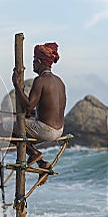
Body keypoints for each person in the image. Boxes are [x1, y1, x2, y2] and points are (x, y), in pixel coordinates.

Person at [11, 42, 66, 185]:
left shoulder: (40, 80)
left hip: (46, 130)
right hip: (59, 130)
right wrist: (34, 113)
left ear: (40, 62)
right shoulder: (59, 82)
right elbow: (52, 108)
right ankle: (42, 164)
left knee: (4, 128)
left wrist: (16, 84)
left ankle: (36, 155)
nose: (33, 65)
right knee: (20, 125)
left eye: (34, 61)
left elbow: (28, 105)